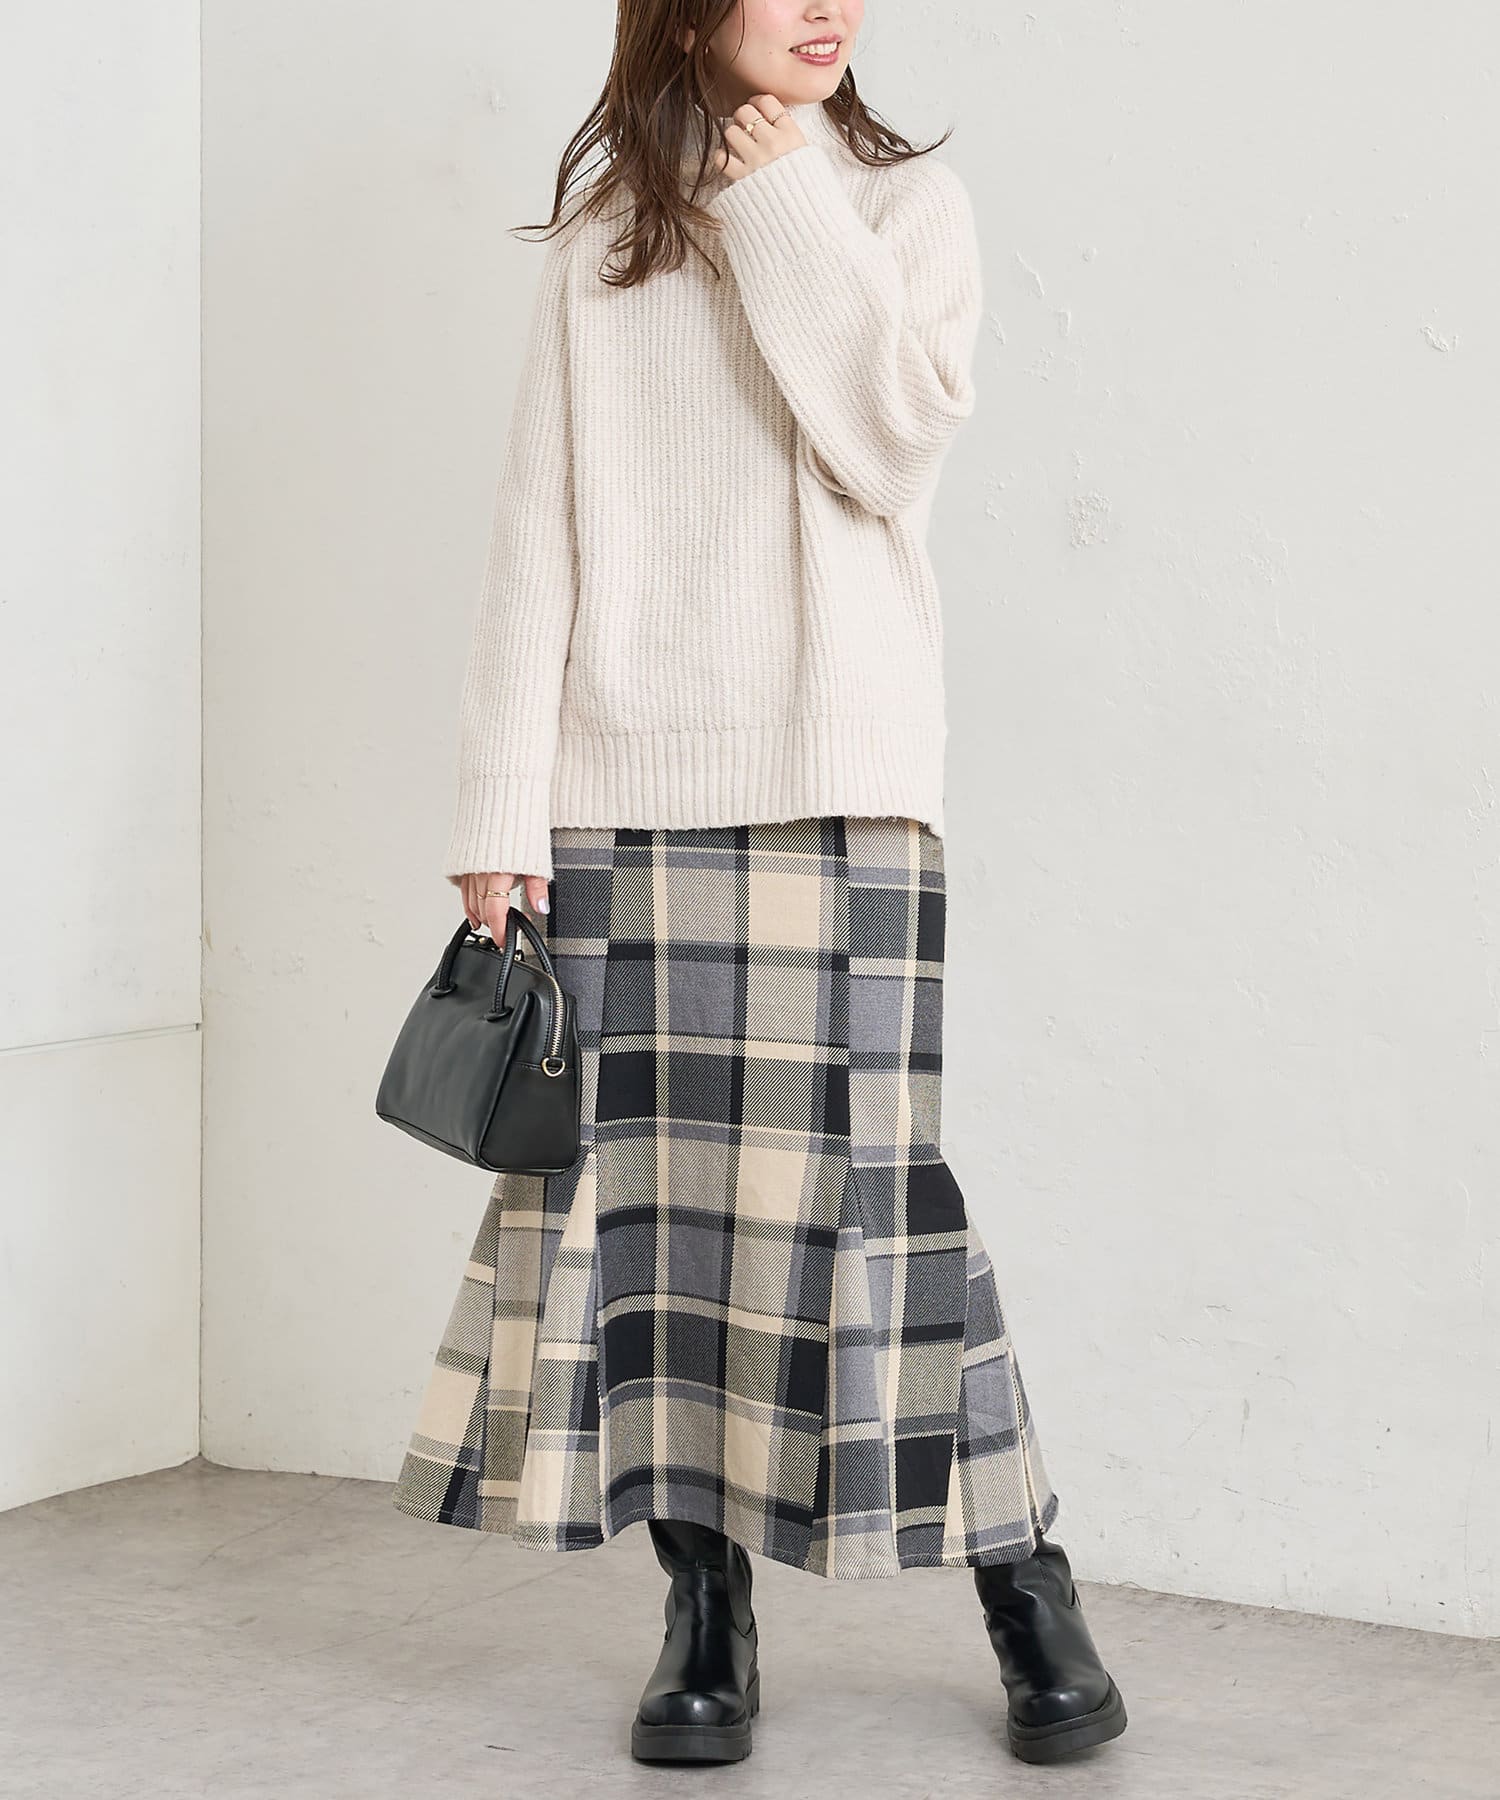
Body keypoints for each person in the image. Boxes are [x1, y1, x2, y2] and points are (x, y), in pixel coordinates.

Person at [391, 0, 1127, 1769]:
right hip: (620, 798)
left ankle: (1025, 1584)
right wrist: (499, 799)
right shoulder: (606, 235)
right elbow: (537, 525)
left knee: (880, 1207)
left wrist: (786, 190)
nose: (826, 4)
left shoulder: (899, 205)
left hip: (842, 786)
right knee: (655, 1224)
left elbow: (894, 439)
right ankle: (704, 1611)